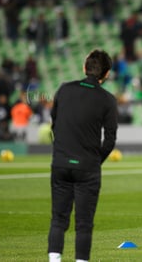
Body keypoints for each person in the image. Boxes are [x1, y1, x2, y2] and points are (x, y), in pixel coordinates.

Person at [48, 49, 118, 262]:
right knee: (84, 223)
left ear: (84, 67)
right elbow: (110, 139)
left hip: (60, 162)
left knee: (58, 219)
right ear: (106, 74)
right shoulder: (107, 99)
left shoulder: (64, 90)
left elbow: (54, 124)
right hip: (87, 166)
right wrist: (96, 161)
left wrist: (61, 151)